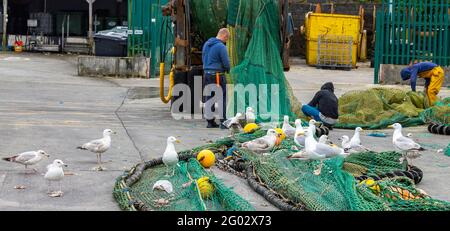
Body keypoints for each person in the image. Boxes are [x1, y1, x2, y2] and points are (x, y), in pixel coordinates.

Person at [202, 28, 231, 129]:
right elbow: (226, 62)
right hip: (217, 75)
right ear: (224, 36)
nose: (225, 42)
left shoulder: (206, 44)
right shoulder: (220, 46)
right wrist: (228, 69)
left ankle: (210, 122)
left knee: (209, 97)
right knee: (221, 98)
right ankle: (223, 122)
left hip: (206, 74)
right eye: (226, 39)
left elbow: (204, 58)